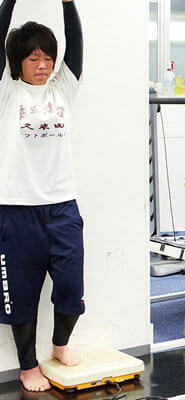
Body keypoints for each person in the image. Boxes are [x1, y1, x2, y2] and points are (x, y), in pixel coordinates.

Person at [0, 0, 84, 392]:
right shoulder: (6, 91)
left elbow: (76, 43)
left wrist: (67, 2)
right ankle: (28, 365)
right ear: (17, 62)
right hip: (15, 211)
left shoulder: (63, 89)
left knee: (70, 286)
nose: (43, 65)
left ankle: (60, 344)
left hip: (62, 206)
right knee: (22, 294)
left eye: (48, 57)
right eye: (33, 58)